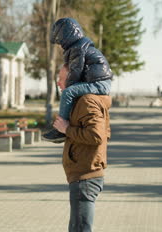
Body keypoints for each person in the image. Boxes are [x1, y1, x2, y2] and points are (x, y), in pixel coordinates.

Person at [53, 64, 111, 232]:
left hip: (85, 176)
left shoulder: (87, 101)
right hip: (82, 175)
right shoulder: (82, 102)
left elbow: (97, 135)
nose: (58, 83)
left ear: (73, 80)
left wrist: (66, 129)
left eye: (61, 78)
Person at [42, 18, 113, 143]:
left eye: (59, 40)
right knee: (71, 92)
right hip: (100, 82)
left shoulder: (78, 48)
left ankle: (60, 129)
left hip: (99, 84)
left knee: (69, 92)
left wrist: (69, 87)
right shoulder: (80, 47)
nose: (60, 44)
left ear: (66, 35)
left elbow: (76, 71)